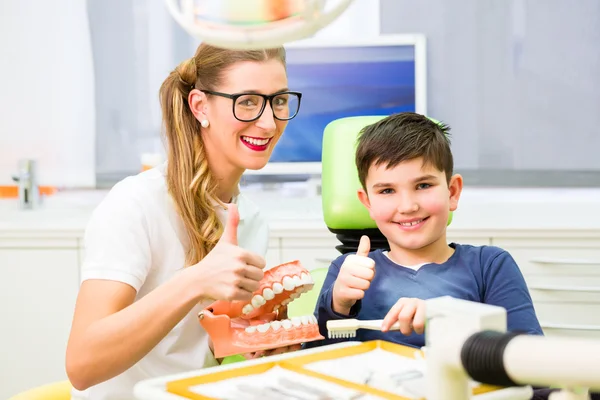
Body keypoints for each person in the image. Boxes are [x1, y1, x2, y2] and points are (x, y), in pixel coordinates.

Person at [65, 43, 303, 399]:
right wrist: (196, 280)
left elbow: (200, 354)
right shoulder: (136, 205)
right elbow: (82, 365)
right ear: (200, 106)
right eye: (248, 101)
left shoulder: (250, 220)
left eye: (279, 100)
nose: (269, 123)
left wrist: (255, 341)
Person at [306, 112, 543, 350]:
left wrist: (448, 319)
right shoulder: (348, 273)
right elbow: (312, 367)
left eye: (423, 185)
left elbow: (530, 361)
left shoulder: (490, 266)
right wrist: (338, 306)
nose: (408, 206)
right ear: (367, 202)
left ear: (452, 192)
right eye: (387, 191)